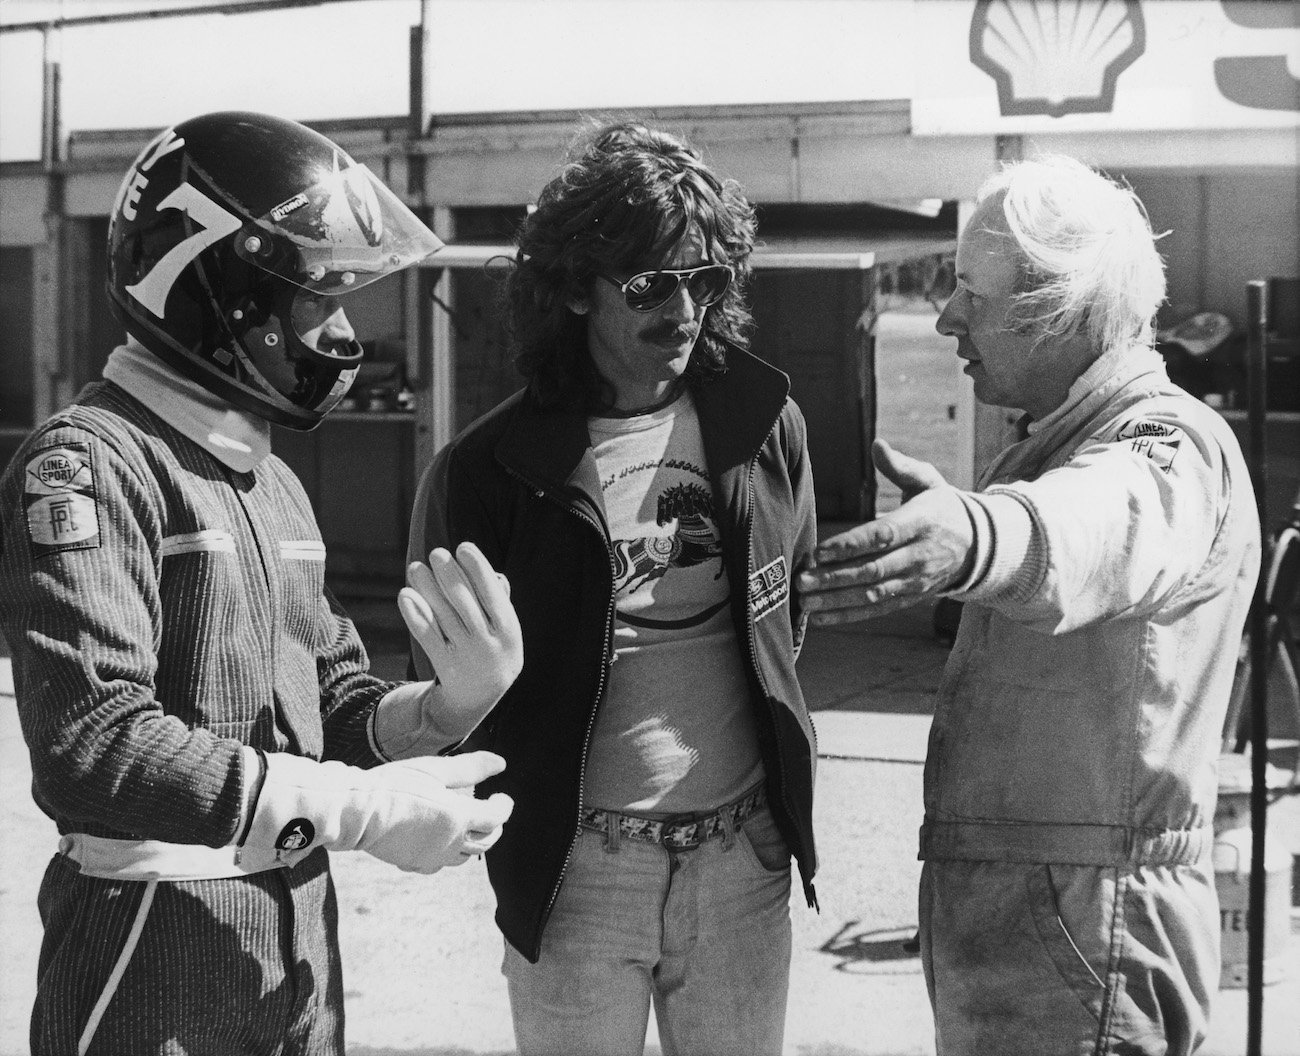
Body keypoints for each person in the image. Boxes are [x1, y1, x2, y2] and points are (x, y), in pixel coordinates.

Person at [0, 111, 523, 1056]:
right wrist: (358, 813)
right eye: (316, 297)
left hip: (293, 948)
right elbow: (92, 741)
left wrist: (439, 710)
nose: (341, 331)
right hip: (149, 944)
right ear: (223, 290)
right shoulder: (89, 462)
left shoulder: (269, 478)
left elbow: (329, 701)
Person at [798, 154, 1260, 1056]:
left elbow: (1103, 524)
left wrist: (974, 534)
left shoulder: (1167, 444)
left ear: (1065, 305)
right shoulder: (1054, 448)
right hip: (1056, 917)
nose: (945, 317)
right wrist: (975, 518)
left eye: (973, 290)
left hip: (1091, 925)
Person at [406, 120, 818, 1056]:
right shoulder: (488, 471)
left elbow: (784, 619)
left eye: (704, 281)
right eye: (649, 284)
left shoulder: (767, 425)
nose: (683, 309)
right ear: (575, 292)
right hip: (577, 872)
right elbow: (447, 695)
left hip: (743, 865)